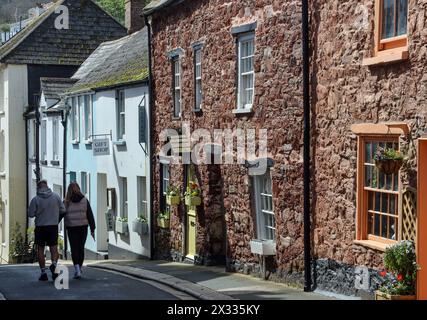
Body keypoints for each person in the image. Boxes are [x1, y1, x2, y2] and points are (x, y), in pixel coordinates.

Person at [28, 179, 65, 282]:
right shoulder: (56, 196)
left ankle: (43, 273)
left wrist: (38, 213)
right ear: (47, 186)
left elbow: (30, 214)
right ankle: (53, 264)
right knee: (54, 248)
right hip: (53, 226)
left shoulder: (35, 199)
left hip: (40, 227)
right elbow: (63, 209)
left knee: (40, 249)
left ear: (38, 188)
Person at [64, 182, 96, 279]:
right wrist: (92, 228)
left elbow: (60, 214)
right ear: (78, 188)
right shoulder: (85, 200)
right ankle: (80, 267)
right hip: (83, 227)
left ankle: (77, 269)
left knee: (74, 248)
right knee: (81, 247)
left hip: (71, 227)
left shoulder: (66, 202)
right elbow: (90, 215)